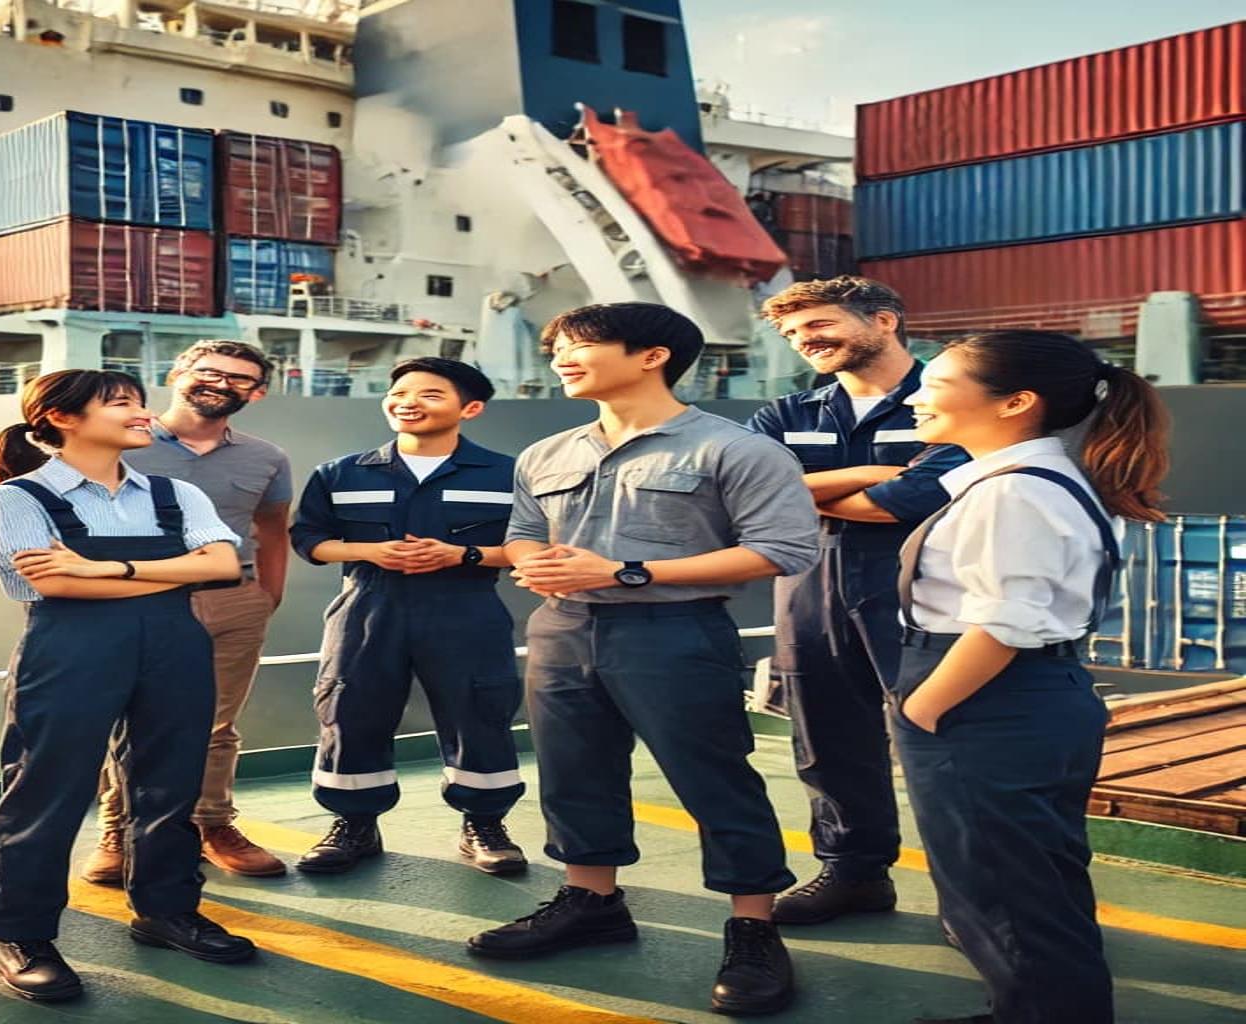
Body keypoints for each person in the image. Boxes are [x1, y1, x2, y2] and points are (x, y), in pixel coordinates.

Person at [466, 303, 819, 1017]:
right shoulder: (547, 452)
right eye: (557, 345)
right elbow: (524, 534)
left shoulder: (735, 450)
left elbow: (785, 548)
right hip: (562, 629)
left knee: (715, 778)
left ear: (653, 355)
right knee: (572, 772)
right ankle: (592, 902)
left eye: (580, 344)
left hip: (675, 632)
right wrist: (544, 565)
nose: (562, 356)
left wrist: (625, 571)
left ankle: (753, 924)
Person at [894, 331, 1166, 1024]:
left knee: (1002, 885)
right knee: (1037, 878)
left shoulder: (1010, 494)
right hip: (1034, 698)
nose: (917, 396)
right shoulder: (1041, 480)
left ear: (1016, 402)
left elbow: (1004, 622)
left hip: (988, 700)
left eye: (937, 383)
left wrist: (923, 710)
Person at [0, 369, 255, 1003]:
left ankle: (166, 910)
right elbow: (54, 584)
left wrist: (106, 566)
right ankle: (21, 934)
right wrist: (171, 573)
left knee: (171, 779)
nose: (142, 413)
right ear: (62, 418)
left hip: (174, 646)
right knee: (45, 785)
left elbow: (222, 565)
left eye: (138, 401)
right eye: (121, 404)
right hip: (69, 648)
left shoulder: (174, 492)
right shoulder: (21, 497)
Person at [750, 277, 969, 925]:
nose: (803, 342)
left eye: (818, 326)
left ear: (883, 320)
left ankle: (969, 894)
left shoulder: (953, 402)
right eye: (791, 333)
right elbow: (745, 496)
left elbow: (913, 500)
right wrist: (870, 476)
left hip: (924, 589)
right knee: (826, 736)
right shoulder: (786, 414)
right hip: (808, 590)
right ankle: (853, 872)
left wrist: (807, 490)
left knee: (941, 739)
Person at [289, 357, 528, 876]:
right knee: (350, 710)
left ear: (471, 408)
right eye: (399, 392)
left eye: (430, 394)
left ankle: (484, 823)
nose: (408, 402)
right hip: (367, 605)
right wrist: (370, 552)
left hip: (465, 605)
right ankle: (354, 825)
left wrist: (460, 555)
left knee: (479, 711)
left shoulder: (508, 474)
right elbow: (308, 539)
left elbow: (529, 547)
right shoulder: (340, 472)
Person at [82, 340, 293, 884]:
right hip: (137, 597)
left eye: (239, 378)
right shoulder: (118, 440)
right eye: (208, 371)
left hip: (233, 602)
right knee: (129, 720)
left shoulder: (267, 457)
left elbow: (271, 527)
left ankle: (211, 823)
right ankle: (118, 829)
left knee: (217, 723)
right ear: (177, 372)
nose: (221, 383)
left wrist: (267, 593)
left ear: (258, 392)